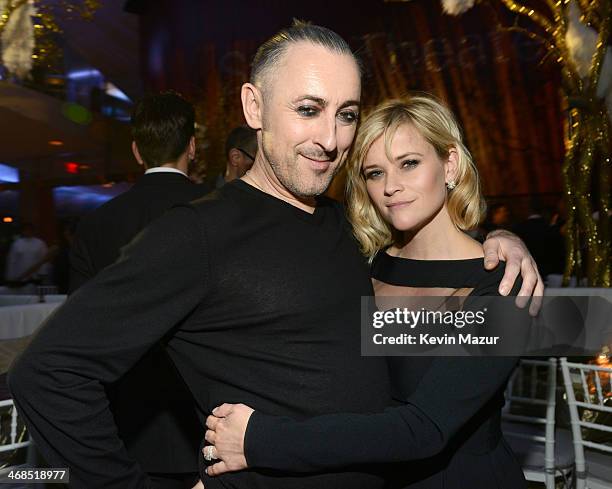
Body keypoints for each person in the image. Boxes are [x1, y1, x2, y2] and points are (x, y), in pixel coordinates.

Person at [8, 22, 541, 489]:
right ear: (254, 107)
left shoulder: (352, 237)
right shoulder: (196, 233)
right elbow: (49, 372)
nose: (330, 139)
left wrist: (502, 246)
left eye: (346, 114)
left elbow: (423, 396)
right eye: (308, 110)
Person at [202, 96, 530, 488]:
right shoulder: (364, 263)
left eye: (409, 163)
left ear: (450, 164)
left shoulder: (504, 287)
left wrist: (259, 440)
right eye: (375, 173)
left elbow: (424, 429)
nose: (391, 186)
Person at [68, 91, 209, 489]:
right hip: (214, 431)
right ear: (192, 147)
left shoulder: (96, 227)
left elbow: (80, 340)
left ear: (136, 151)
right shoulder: (225, 211)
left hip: (128, 429)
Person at [4, 222, 48, 289]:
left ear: (33, 231)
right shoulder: (17, 244)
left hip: (36, 276)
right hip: (20, 276)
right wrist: (10, 277)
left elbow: (44, 259)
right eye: (26, 230)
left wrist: (43, 273)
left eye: (30, 230)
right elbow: (12, 261)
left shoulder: (40, 243)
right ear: (23, 231)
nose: (28, 232)